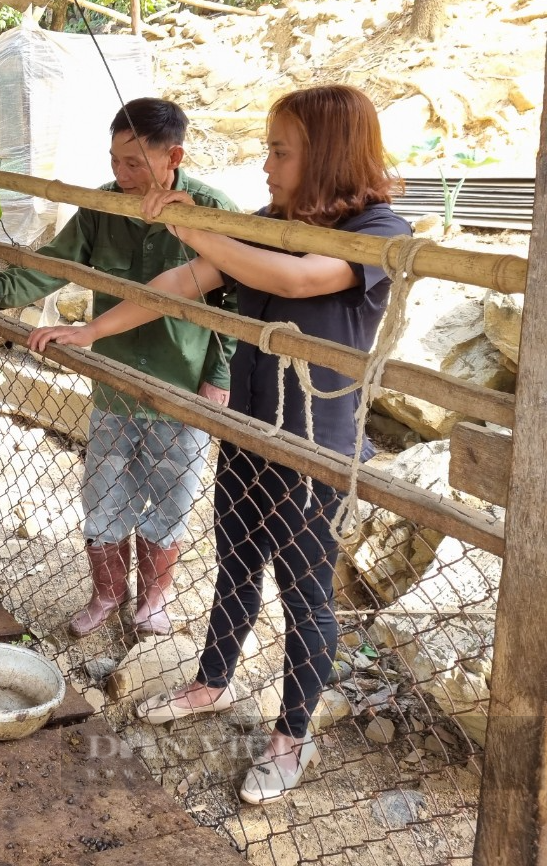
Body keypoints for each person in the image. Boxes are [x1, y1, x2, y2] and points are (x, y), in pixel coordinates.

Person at [28, 85, 410, 804]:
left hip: (311, 451)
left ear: (325, 155)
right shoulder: (272, 220)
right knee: (235, 566)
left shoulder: (377, 230)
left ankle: (291, 735)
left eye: (279, 150)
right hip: (245, 431)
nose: (266, 164)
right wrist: (92, 329)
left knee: (305, 596)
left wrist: (196, 227)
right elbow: (183, 282)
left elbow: (294, 277)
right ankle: (210, 682)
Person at [0, 98, 238, 638]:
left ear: (175, 158)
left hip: (181, 384)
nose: (120, 174)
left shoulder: (212, 209)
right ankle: (105, 596)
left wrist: (220, 375)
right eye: (115, 160)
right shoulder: (100, 205)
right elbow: (57, 264)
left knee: (171, 497)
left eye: (134, 164)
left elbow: (236, 304)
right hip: (114, 385)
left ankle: (155, 602)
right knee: (103, 496)